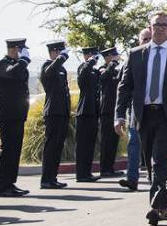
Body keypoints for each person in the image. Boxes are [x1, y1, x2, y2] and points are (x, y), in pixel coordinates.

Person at [115, 11, 167, 226]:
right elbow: (125, 87)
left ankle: (156, 207)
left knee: (159, 159)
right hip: (143, 115)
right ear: (149, 27)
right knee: (150, 161)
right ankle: (164, 204)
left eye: (164, 25)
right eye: (156, 24)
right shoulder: (135, 54)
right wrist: (119, 115)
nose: (160, 28)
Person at [0, 37, 32, 197]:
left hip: (17, 114)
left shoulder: (17, 65)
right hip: (7, 115)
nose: (23, 53)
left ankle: (11, 183)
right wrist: (23, 61)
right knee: (8, 150)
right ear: (14, 49)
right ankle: (3, 187)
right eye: (21, 50)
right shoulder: (3, 64)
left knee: (15, 151)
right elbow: (11, 73)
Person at [119, 26, 151, 192]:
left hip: (156, 109)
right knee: (134, 143)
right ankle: (132, 179)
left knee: (153, 145)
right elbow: (123, 86)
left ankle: (154, 176)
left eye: (149, 38)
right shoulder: (133, 57)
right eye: (144, 39)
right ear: (139, 41)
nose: (147, 42)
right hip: (136, 109)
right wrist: (119, 115)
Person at [40, 40, 71, 189]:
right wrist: (60, 59)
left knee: (58, 146)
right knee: (51, 146)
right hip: (52, 112)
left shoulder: (61, 69)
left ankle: (53, 177)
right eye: (59, 52)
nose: (61, 55)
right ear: (53, 52)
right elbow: (49, 72)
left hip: (62, 112)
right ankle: (46, 179)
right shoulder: (47, 66)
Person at [75, 47, 101, 182]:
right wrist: (89, 62)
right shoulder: (83, 68)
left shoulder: (94, 71)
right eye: (93, 56)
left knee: (90, 144)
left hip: (93, 111)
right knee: (83, 145)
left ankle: (87, 172)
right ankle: (81, 173)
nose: (95, 59)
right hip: (84, 111)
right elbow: (81, 79)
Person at [97, 47, 122, 177]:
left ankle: (110, 167)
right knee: (106, 140)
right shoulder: (102, 69)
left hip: (115, 109)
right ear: (107, 57)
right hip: (106, 110)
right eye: (113, 56)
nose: (116, 58)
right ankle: (104, 168)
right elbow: (103, 77)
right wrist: (112, 64)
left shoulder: (116, 71)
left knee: (113, 140)